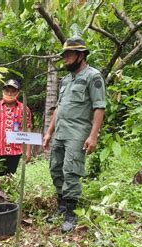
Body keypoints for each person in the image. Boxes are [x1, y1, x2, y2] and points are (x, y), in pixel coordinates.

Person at [42, 36, 106, 232]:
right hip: (60, 132)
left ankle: (71, 214)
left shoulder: (93, 76)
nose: (65, 59)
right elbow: (59, 108)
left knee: (71, 171)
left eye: (69, 55)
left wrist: (93, 135)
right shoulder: (66, 80)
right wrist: (49, 132)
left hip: (77, 133)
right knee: (55, 168)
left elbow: (99, 107)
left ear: (80, 55)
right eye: (64, 55)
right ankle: (61, 206)